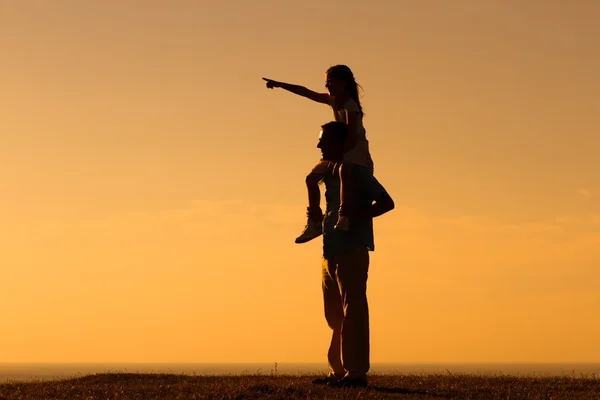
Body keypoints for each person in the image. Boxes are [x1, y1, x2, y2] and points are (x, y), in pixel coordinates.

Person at [308, 121, 394, 388]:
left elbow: (386, 202)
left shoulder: (356, 172)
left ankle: (356, 373)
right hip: (330, 251)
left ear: (342, 143)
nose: (319, 145)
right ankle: (339, 371)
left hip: (352, 249)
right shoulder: (328, 174)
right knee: (334, 315)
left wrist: (355, 216)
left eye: (325, 140)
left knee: (353, 309)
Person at [263, 65, 374, 244]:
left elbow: (353, 138)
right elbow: (307, 93)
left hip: (355, 152)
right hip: (339, 151)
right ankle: (314, 221)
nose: (327, 86)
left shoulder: (351, 107)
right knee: (311, 178)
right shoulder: (333, 101)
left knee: (344, 171)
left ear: (343, 83)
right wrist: (280, 84)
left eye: (330, 82)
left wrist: (339, 160)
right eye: (326, 83)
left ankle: (344, 214)